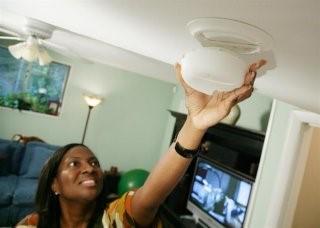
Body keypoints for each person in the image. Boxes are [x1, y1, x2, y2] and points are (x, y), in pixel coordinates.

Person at [17, 60, 266, 228]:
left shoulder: (114, 218)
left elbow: (150, 195)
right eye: (74, 163)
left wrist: (196, 125)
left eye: (93, 162)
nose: (89, 168)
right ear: (54, 184)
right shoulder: (33, 225)